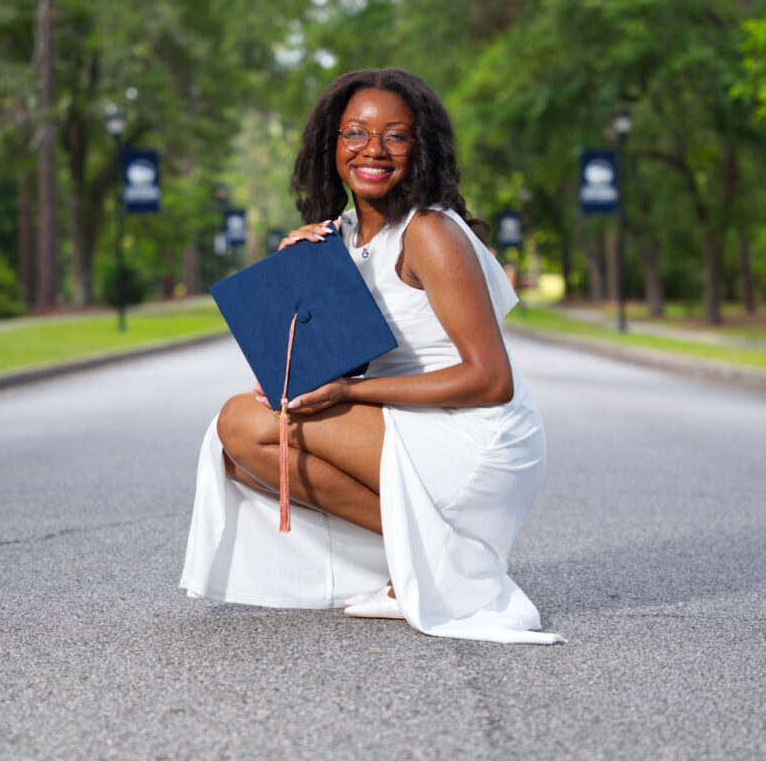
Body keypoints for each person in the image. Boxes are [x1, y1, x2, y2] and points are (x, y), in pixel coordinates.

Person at [180, 68, 563, 644]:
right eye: (355, 133)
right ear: (331, 144)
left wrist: (347, 394)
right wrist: (302, 279)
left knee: (244, 424)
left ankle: (446, 559)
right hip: (410, 421)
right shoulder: (344, 235)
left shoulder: (429, 231)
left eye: (396, 135)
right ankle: (424, 559)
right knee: (236, 454)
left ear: (420, 147)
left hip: (474, 431)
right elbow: (345, 357)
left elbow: (491, 381)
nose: (373, 150)